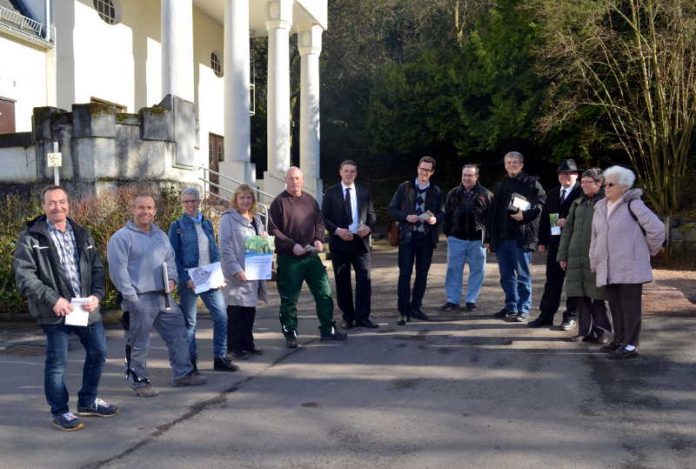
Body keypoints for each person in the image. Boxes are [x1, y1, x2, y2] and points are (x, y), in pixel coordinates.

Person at [14, 186, 117, 431]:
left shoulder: (81, 233)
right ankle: (60, 411)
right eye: (51, 203)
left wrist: (97, 295)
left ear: (68, 203)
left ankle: (88, 400)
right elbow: (24, 277)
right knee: (57, 363)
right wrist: (53, 299)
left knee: (99, 352)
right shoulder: (31, 238)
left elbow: (97, 269)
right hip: (55, 310)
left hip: (84, 307)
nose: (57, 207)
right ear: (43, 206)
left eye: (61, 201)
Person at [108, 194, 206, 397]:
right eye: (141, 207)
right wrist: (131, 298)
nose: (145, 212)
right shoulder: (121, 237)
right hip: (139, 298)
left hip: (164, 296)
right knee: (139, 343)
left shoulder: (160, 235)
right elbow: (118, 272)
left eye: (150, 208)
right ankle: (139, 382)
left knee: (178, 333)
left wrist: (171, 279)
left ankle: (183, 374)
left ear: (155, 211)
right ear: (133, 210)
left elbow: (170, 259)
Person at [589, 166, 665, 359]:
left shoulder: (634, 205)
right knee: (615, 306)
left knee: (630, 308)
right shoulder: (600, 206)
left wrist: (646, 251)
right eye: (605, 183)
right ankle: (619, 340)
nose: (606, 187)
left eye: (611, 184)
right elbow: (595, 238)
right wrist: (595, 261)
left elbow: (657, 230)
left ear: (624, 187)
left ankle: (631, 345)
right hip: (609, 267)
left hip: (630, 267)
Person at [268, 167, 347, 348]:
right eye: (291, 179)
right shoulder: (278, 203)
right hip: (289, 259)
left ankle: (328, 330)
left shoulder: (310, 201)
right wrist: (291, 245)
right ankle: (290, 333)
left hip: (311, 256)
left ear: (302, 180)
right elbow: (273, 230)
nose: (294, 182)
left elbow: (319, 222)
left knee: (324, 293)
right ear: (285, 180)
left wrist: (319, 239)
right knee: (289, 299)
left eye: (297, 178)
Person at [168, 188, 237, 372]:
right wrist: (184, 279)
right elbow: (172, 256)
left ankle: (220, 357)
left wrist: (219, 276)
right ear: (182, 204)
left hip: (210, 279)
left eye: (193, 201)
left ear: (199, 202)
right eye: (186, 202)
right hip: (190, 280)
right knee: (190, 323)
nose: (190, 205)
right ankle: (192, 362)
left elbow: (214, 252)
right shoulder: (177, 226)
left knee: (221, 317)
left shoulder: (206, 223)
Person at [485, 151, 546, 322]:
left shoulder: (532, 183)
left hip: (522, 238)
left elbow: (541, 206)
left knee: (523, 276)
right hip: (502, 239)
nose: (512, 165)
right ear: (505, 165)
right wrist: (489, 238)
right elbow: (492, 213)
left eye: (515, 162)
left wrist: (524, 216)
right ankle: (511, 307)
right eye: (508, 162)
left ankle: (524, 309)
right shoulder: (501, 185)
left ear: (521, 164)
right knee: (506, 276)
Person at [388, 156, 444, 325]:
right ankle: (403, 311)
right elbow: (391, 209)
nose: (424, 172)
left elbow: (442, 213)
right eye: (422, 168)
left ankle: (416, 307)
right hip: (407, 238)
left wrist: (436, 220)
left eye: (427, 170)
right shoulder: (404, 187)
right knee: (405, 274)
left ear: (432, 172)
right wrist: (406, 216)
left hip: (426, 238)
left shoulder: (437, 191)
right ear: (417, 168)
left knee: (422, 275)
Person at [321, 160, 378, 329]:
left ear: (356, 173)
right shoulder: (331, 193)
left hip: (360, 243)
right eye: (346, 171)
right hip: (340, 243)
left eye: (352, 171)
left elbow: (372, 215)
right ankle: (348, 317)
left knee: (364, 280)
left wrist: (368, 228)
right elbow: (323, 218)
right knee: (342, 281)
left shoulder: (364, 192)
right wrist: (337, 231)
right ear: (340, 172)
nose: (349, 174)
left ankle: (363, 317)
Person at [557, 168, 611, 343]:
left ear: (599, 183)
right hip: (575, 256)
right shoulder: (578, 203)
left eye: (589, 182)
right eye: (584, 182)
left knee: (597, 296)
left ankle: (602, 332)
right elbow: (568, 230)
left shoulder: (606, 203)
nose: (585, 185)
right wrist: (562, 255)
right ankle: (584, 331)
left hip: (596, 257)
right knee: (580, 296)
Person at [529, 159, 583, 329]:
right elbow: (546, 219)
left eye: (569, 173)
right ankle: (546, 315)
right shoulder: (552, 194)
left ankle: (571, 316)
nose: (565, 176)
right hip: (555, 244)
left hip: (576, 246)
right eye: (562, 173)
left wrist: (568, 222)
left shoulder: (582, 193)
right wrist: (543, 241)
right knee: (552, 281)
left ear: (576, 175)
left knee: (573, 283)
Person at [219, 184, 268, 359]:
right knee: (235, 311)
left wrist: (264, 240)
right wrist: (235, 269)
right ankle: (234, 347)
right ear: (236, 199)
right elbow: (225, 247)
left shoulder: (256, 219)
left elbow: (261, 242)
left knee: (249, 311)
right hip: (237, 273)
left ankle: (248, 344)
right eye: (242, 198)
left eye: (249, 197)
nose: (245, 201)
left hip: (253, 271)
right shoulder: (228, 218)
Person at [441, 164, 492, 312]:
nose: (466, 178)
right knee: (453, 270)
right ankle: (452, 300)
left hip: (478, 240)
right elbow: (447, 215)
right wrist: (448, 233)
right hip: (456, 238)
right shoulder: (452, 193)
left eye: (470, 175)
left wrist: (488, 238)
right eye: (464, 175)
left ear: (477, 176)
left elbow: (490, 219)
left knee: (477, 270)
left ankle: (471, 300)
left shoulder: (486, 194)